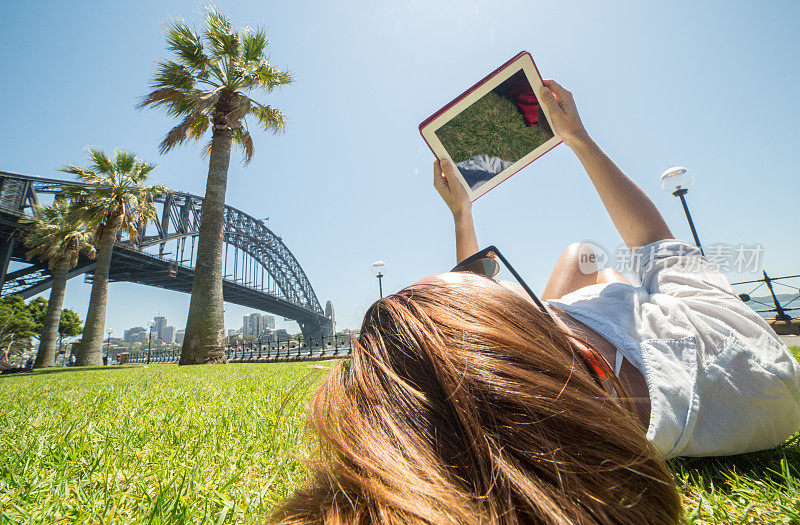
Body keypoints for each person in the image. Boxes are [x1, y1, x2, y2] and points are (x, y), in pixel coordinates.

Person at [271, 80, 800, 524]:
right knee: (590, 257)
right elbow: (652, 240)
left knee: (583, 257)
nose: (485, 285)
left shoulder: (551, 422)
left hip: (587, 338)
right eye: (494, 304)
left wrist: (462, 214)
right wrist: (578, 138)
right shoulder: (746, 362)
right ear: (529, 341)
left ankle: (585, 291)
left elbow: (477, 379)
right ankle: (602, 288)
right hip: (617, 323)